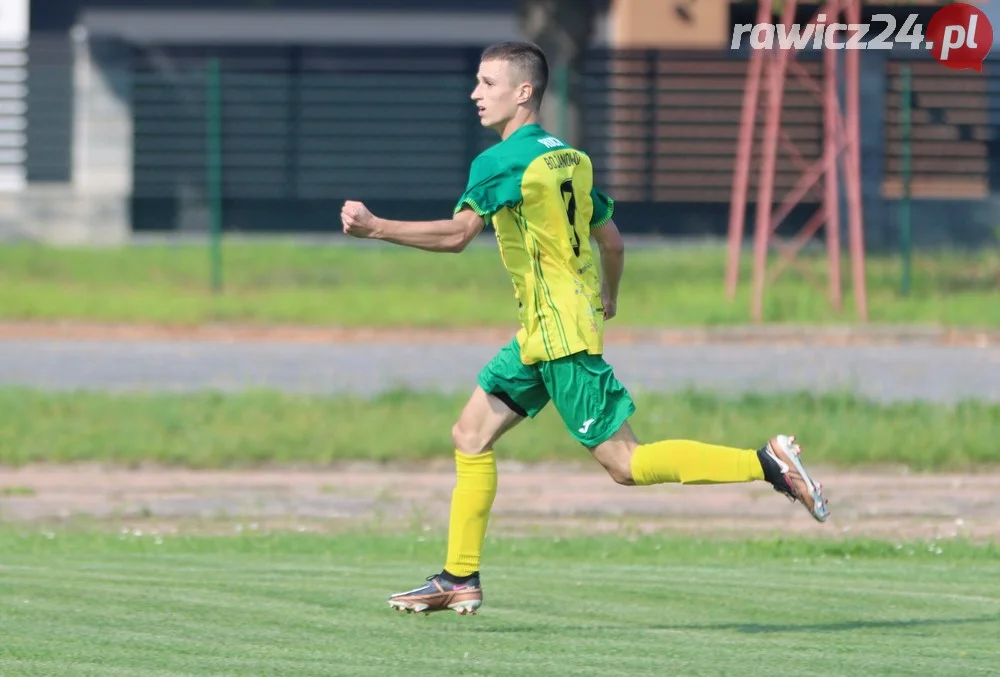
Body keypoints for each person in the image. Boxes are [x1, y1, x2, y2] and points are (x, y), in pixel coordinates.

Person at [340, 41, 829, 617]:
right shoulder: (569, 157)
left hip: (559, 339)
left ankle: (765, 461)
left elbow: (457, 235)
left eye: (487, 83)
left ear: (523, 92)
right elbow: (612, 240)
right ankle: (458, 577)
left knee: (625, 464)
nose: (475, 93)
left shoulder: (502, 160)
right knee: (469, 435)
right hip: (545, 333)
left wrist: (376, 228)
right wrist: (609, 296)